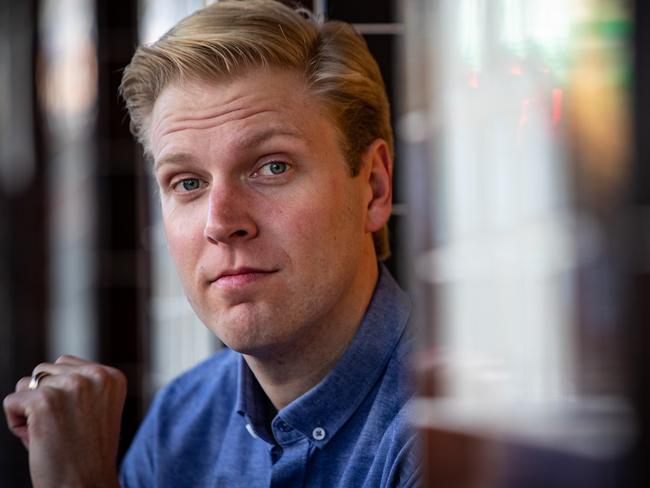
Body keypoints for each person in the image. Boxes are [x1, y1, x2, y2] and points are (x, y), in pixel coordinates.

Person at [3, 1, 419, 486]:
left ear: (374, 187)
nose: (220, 223)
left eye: (273, 167)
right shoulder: (181, 421)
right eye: (187, 183)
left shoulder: (442, 430)